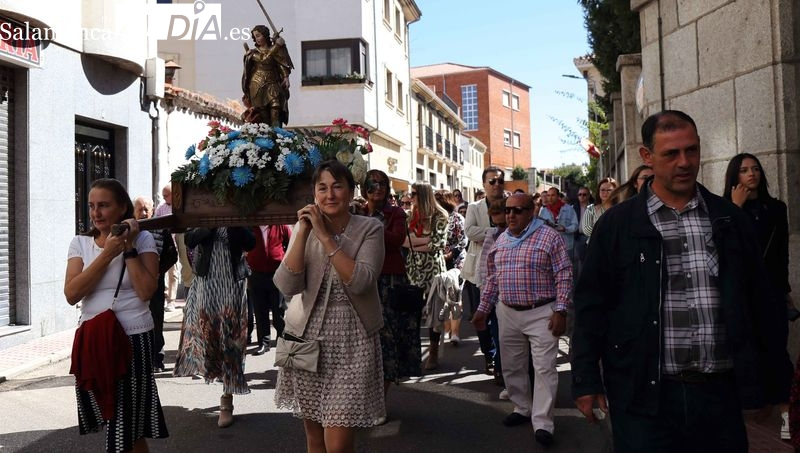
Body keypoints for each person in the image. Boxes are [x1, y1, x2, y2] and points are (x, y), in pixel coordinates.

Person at [571, 110, 792, 452]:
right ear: (647, 156)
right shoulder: (617, 226)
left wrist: (773, 382)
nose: (684, 162)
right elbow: (591, 306)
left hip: (719, 395)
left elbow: (761, 302)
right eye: (671, 154)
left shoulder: (729, 219)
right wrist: (585, 378)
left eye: (691, 150)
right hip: (644, 394)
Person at [274, 160, 385, 452]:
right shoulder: (304, 229)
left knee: (337, 444)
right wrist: (302, 232)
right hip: (306, 337)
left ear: (351, 192)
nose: (330, 194)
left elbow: (360, 281)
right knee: (314, 437)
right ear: (314, 194)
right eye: (322, 188)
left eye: (338, 186)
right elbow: (287, 285)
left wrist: (324, 235)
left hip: (353, 341)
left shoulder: (370, 229)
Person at [64, 178, 168, 453]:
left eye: (103, 206)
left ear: (122, 207)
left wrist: (128, 248)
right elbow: (72, 293)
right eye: (91, 206)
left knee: (124, 424)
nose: (96, 213)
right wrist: (108, 253)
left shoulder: (143, 239)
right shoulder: (80, 243)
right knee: (122, 425)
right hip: (93, 340)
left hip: (132, 338)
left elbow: (146, 290)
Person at [472, 193, 572, 448]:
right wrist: (483, 309)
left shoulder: (550, 237)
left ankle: (543, 422)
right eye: (508, 211)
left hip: (542, 311)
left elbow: (564, 274)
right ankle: (522, 407)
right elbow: (493, 279)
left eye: (518, 210)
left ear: (531, 212)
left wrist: (561, 310)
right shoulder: (500, 240)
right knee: (512, 365)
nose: (511, 215)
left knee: (544, 368)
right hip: (507, 311)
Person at [722, 153, 794, 439]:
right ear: (734, 177)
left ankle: (788, 414)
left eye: (755, 169)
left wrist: (785, 291)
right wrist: (735, 209)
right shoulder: (724, 210)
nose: (751, 174)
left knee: (778, 353)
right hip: (739, 296)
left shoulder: (776, 208)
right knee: (742, 355)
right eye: (743, 170)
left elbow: (782, 254)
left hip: (771, 293)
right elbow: (725, 249)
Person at [173, 226, 255, 428]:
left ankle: (226, 399)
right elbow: (190, 239)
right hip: (206, 280)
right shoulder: (203, 212)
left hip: (232, 283)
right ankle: (210, 369)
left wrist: (234, 222)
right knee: (206, 332)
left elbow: (251, 242)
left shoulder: (238, 210)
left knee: (230, 338)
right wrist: (210, 224)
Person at [362, 170, 420, 421]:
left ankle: (378, 403)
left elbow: (396, 240)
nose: (378, 188)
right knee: (364, 343)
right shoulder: (356, 212)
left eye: (383, 184)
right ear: (364, 188)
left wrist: (369, 223)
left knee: (387, 341)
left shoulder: (395, 213)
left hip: (389, 282)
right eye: (373, 184)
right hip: (362, 280)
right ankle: (362, 399)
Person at [463, 167, 506, 376]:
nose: (497, 185)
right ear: (484, 184)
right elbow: (470, 232)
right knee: (482, 314)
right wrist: (496, 231)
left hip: (505, 268)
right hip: (479, 269)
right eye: (492, 181)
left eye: (500, 181)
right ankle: (489, 354)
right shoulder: (475, 207)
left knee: (500, 317)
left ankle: (500, 362)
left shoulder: (511, 205)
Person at [403, 182, 449, 370]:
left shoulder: (440, 216)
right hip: (413, 268)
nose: (410, 197)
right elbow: (403, 241)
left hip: (433, 270)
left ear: (423, 195)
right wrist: (424, 242)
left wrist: (415, 243)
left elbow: (438, 244)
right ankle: (413, 353)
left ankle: (433, 351)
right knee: (413, 311)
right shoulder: (410, 216)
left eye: (413, 194)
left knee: (433, 312)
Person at [132, 196, 177, 372]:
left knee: (155, 321)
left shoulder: (161, 229)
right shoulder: (128, 231)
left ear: (152, 211)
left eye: (146, 210)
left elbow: (172, 255)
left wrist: (158, 271)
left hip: (155, 285)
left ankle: (157, 359)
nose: (143, 213)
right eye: (140, 209)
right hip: (133, 286)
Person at [246, 224, 291, 356]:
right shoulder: (250, 226)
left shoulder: (281, 225)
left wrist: (285, 262)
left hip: (276, 273)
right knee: (260, 311)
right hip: (256, 274)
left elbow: (291, 244)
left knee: (278, 310)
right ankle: (263, 343)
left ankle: (281, 340)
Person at [241, 24, 293, 126]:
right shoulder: (253, 53)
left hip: (272, 83)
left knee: (276, 106)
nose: (257, 39)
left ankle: (277, 134)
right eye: (255, 37)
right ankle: (266, 134)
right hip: (257, 84)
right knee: (262, 112)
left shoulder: (274, 50)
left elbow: (280, 63)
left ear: (265, 35)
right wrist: (277, 46)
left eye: (259, 35)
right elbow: (264, 59)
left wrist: (286, 77)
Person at [435, 190, 468, 344]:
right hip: (439, 262)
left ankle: (455, 333)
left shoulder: (458, 218)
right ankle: (448, 328)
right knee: (443, 297)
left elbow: (463, 241)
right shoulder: (434, 219)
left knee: (455, 296)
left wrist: (451, 254)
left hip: (456, 261)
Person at [153, 184, 178, 312]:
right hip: (165, 244)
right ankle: (165, 296)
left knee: (173, 273)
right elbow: (155, 223)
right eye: (163, 196)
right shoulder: (161, 208)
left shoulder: (179, 207)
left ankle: (171, 300)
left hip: (177, 242)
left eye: (166, 196)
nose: (164, 199)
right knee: (164, 272)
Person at [538, 187, 579, 257]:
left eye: (553, 195)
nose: (550, 198)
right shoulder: (544, 211)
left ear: (558, 196)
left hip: (566, 246)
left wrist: (565, 229)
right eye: (548, 195)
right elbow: (540, 228)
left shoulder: (569, 209)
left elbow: (575, 226)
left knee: (567, 266)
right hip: (549, 246)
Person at [580, 177, 617, 243]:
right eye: (602, 190)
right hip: (595, 246)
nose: (605, 193)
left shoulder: (621, 209)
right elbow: (586, 229)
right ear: (598, 191)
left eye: (609, 190)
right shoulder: (591, 209)